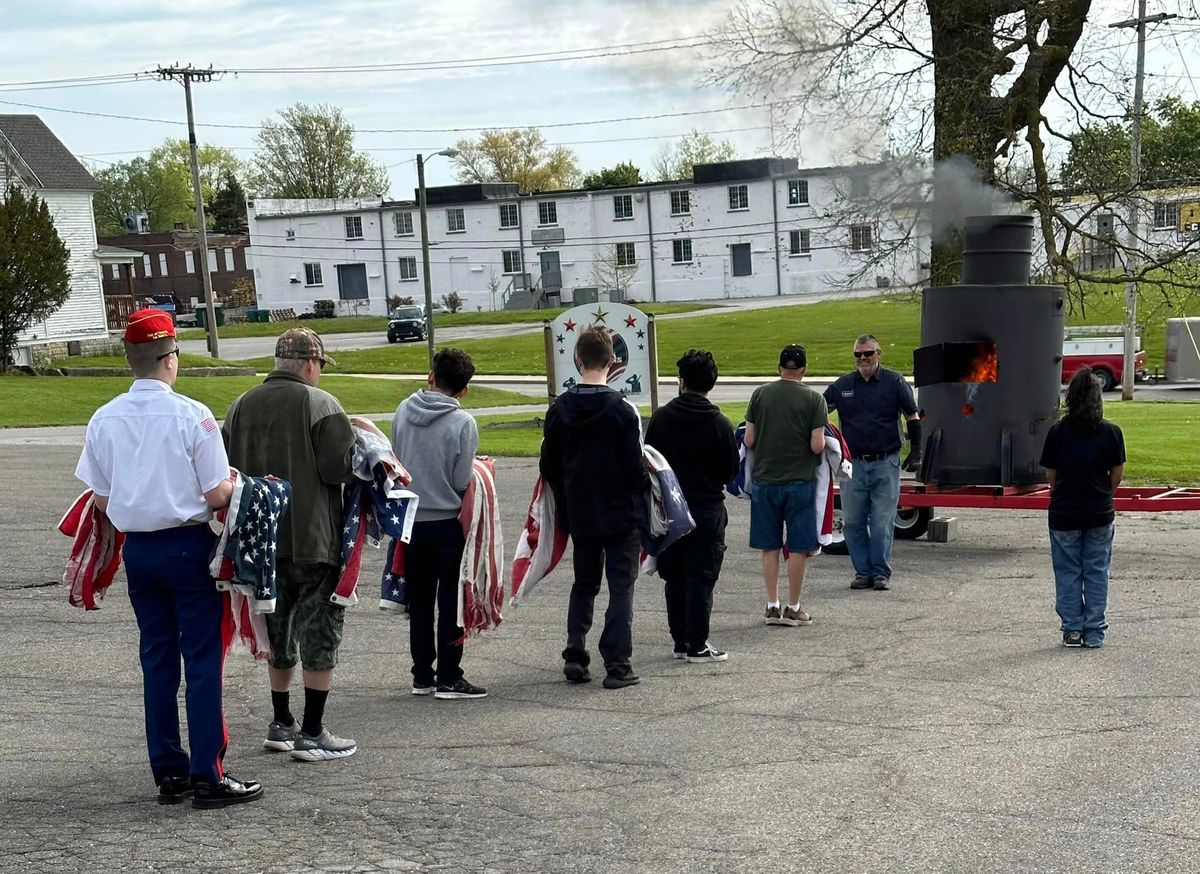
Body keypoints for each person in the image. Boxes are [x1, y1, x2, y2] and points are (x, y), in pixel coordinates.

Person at [74, 308, 262, 808]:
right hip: (189, 546)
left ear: (132, 360)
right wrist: (244, 486)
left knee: (157, 660)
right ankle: (209, 773)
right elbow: (218, 494)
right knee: (202, 659)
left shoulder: (104, 417)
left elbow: (100, 497)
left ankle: (169, 772)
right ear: (170, 358)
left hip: (141, 550)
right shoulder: (193, 415)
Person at [223, 327, 360, 763]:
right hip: (313, 535)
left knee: (277, 631)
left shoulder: (240, 405)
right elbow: (339, 469)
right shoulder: (321, 403)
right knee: (320, 629)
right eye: (319, 365)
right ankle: (314, 731)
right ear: (307, 363)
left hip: (260, 542)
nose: (319, 373)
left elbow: (224, 466)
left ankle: (281, 722)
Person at [541, 325, 648, 689]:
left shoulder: (559, 410)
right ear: (613, 361)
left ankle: (575, 653)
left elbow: (548, 465)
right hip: (620, 512)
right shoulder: (623, 410)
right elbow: (635, 468)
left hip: (580, 511)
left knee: (584, 582)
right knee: (621, 587)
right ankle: (617, 663)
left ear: (577, 358)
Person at [390, 348, 486, 699]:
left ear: (431, 376)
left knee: (420, 601)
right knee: (450, 599)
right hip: (446, 520)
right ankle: (449, 673)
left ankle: (421, 673)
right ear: (464, 389)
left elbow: (395, 457)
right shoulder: (463, 423)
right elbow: (462, 479)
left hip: (411, 518)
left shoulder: (403, 410)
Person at [645, 349, 740, 662]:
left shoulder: (661, 418)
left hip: (671, 507)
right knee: (702, 575)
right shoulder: (719, 424)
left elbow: (650, 461)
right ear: (711, 383)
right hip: (707, 505)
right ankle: (698, 641)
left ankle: (681, 640)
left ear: (681, 380)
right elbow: (730, 471)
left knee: (675, 576)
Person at [823, 334, 920, 591]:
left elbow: (912, 415)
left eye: (868, 353)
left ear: (879, 353)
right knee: (853, 521)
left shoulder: (894, 382)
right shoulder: (843, 386)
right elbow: (818, 409)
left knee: (881, 521)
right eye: (858, 354)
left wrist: (917, 451)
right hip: (852, 464)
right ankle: (862, 572)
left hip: (885, 461)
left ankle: (880, 573)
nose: (863, 359)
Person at [1039, 366, 1125, 649]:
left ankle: (1072, 629)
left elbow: (1050, 476)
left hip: (1064, 512)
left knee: (1068, 571)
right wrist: (1103, 494)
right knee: (1097, 571)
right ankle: (1095, 630)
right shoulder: (1112, 433)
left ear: (1070, 398)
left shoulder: (1057, 433)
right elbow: (1117, 474)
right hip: (1099, 510)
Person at [744, 344, 827, 626]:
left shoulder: (760, 395)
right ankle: (793, 607)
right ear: (803, 369)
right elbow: (817, 445)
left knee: (770, 546)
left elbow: (749, 440)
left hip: (766, 480)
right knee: (799, 546)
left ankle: (771, 604)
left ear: (779, 367)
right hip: (800, 481)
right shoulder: (815, 400)